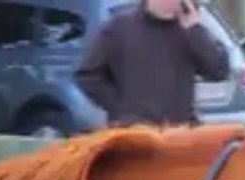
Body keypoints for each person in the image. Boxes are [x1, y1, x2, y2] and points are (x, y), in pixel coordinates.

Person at [75, 0, 231, 128]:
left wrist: (195, 31)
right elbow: (88, 76)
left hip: (181, 132)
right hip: (133, 132)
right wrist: (122, 109)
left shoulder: (189, 30)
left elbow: (218, 71)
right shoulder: (119, 28)